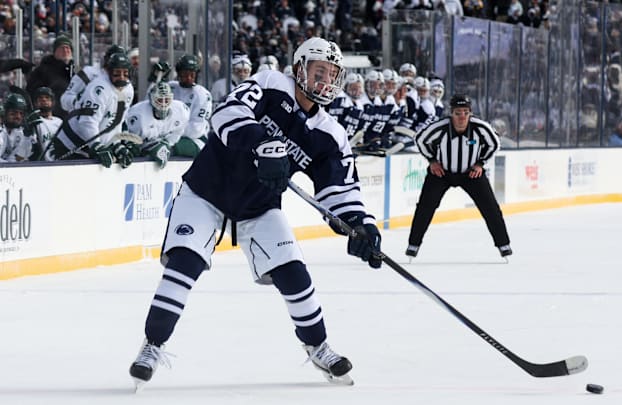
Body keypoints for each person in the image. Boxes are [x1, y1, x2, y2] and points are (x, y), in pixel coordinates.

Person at [128, 37, 382, 388]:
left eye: (332, 73)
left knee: (294, 274)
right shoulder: (270, 83)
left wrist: (360, 226)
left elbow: (338, 189)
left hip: (259, 206)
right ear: (299, 68)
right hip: (207, 190)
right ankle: (152, 345)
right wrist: (263, 143)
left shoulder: (329, 134)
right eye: (319, 70)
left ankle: (317, 345)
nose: (326, 80)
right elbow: (227, 113)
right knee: (185, 263)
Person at [406, 94, 511, 259]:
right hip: (441, 173)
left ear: (470, 113)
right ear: (451, 113)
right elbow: (420, 139)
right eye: (457, 113)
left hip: (470, 174)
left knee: (490, 208)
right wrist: (432, 161)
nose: (462, 117)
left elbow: (494, 144)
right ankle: (413, 245)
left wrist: (480, 163)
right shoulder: (440, 127)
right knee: (425, 207)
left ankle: (503, 245)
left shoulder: (480, 128)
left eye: (465, 112)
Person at [44, 53, 135, 167]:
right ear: (109, 72)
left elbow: (117, 121)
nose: (121, 77)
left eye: (125, 73)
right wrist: (96, 146)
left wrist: (115, 144)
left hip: (89, 145)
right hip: (71, 143)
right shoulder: (99, 89)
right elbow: (87, 122)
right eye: (117, 73)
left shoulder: (129, 90)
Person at [125, 82, 191, 169]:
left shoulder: (181, 111)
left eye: (166, 100)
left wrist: (166, 144)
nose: (163, 104)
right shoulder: (138, 115)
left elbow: (176, 134)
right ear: (151, 99)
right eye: (160, 100)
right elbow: (130, 141)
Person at [167, 54, 213, 158]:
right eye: (184, 74)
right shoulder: (170, 87)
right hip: (169, 135)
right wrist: (157, 80)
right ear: (178, 74)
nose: (188, 78)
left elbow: (196, 129)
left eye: (192, 75)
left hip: (196, 140)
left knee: (166, 148)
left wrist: (169, 130)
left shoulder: (202, 94)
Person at [60, 44, 126, 112]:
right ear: (106, 58)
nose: (118, 63)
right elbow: (65, 99)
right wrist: (79, 102)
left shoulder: (126, 82)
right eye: (114, 59)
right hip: (83, 119)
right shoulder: (88, 73)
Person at [26, 35, 76, 119]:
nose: (65, 50)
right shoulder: (42, 71)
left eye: (68, 48)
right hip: (50, 119)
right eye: (61, 48)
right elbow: (32, 94)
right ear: (55, 52)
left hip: (70, 119)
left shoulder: (74, 73)